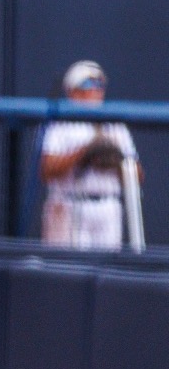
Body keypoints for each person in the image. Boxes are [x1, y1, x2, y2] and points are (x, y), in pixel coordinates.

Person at [40, 60, 144, 251]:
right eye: (88, 84)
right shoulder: (59, 123)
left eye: (99, 85)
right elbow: (47, 171)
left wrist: (117, 160)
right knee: (68, 272)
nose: (95, 90)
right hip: (71, 204)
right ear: (71, 90)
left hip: (107, 206)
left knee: (105, 270)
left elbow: (137, 175)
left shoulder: (114, 125)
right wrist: (83, 153)